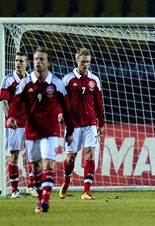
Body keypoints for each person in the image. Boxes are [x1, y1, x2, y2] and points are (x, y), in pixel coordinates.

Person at [7, 47, 74, 213]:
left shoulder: (56, 83)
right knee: (36, 168)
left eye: (41, 59)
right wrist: (11, 116)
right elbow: (15, 101)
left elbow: (66, 108)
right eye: (36, 59)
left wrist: (70, 131)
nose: (38, 62)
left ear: (48, 62)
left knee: (48, 164)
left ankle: (45, 201)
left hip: (50, 132)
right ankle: (40, 198)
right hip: (31, 132)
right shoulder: (26, 82)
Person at [59, 48, 105, 200]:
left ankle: (86, 191)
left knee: (90, 153)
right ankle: (67, 178)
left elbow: (98, 102)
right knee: (70, 159)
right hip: (73, 125)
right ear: (76, 60)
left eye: (88, 62)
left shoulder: (94, 80)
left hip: (90, 123)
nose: (85, 65)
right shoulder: (67, 79)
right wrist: (59, 113)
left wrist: (101, 122)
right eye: (83, 61)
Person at [0, 52, 34, 198]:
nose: (18, 63)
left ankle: (32, 187)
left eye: (21, 61)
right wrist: (9, 117)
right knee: (14, 156)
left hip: (30, 123)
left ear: (26, 64)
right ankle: (14, 189)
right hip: (14, 125)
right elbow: (3, 101)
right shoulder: (8, 80)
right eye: (16, 60)